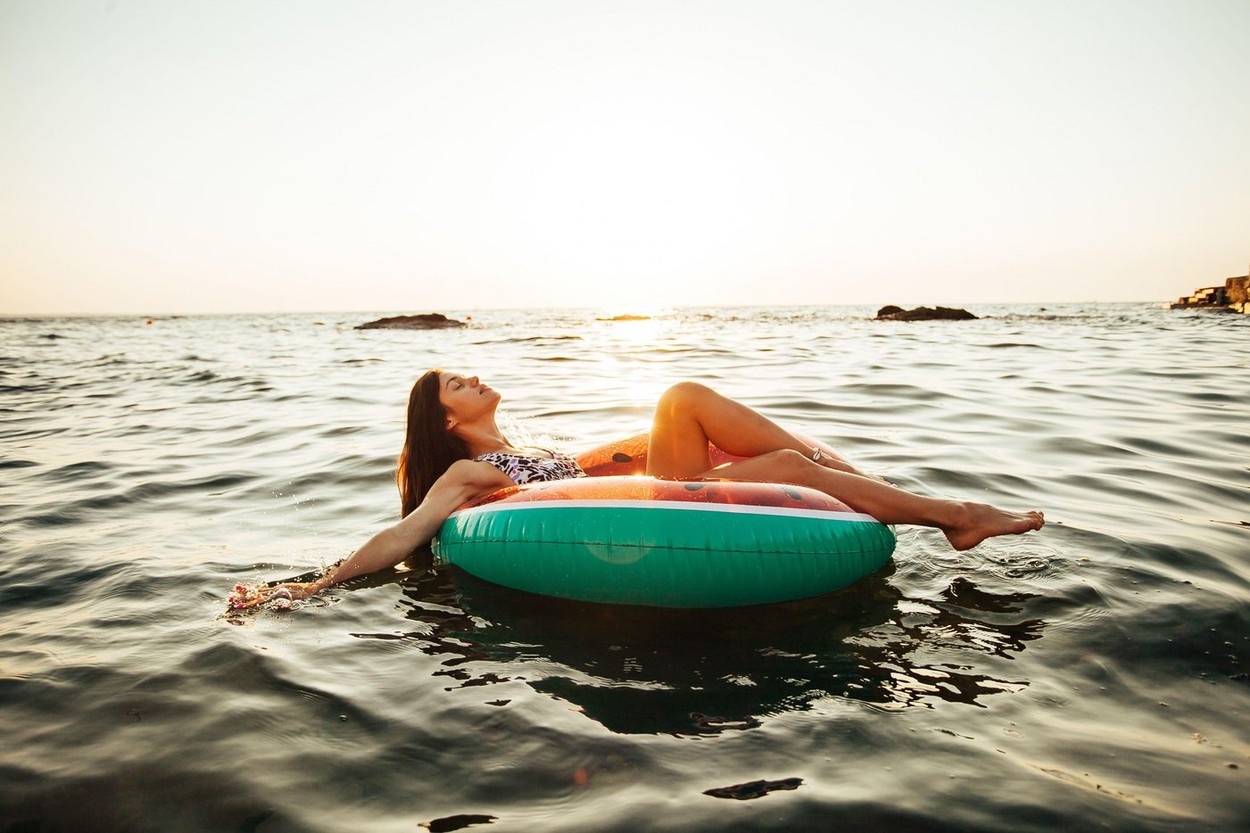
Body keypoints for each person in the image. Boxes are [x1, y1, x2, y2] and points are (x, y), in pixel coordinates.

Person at [230, 370, 1043, 609]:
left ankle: (912, 498)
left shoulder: (529, 449)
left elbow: (590, 469)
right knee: (693, 405)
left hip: (649, 490)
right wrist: (307, 586)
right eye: (457, 382)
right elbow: (403, 537)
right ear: (442, 416)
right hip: (647, 514)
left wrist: (621, 453)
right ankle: (954, 516)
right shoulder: (468, 472)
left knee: (687, 410)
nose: (475, 377)